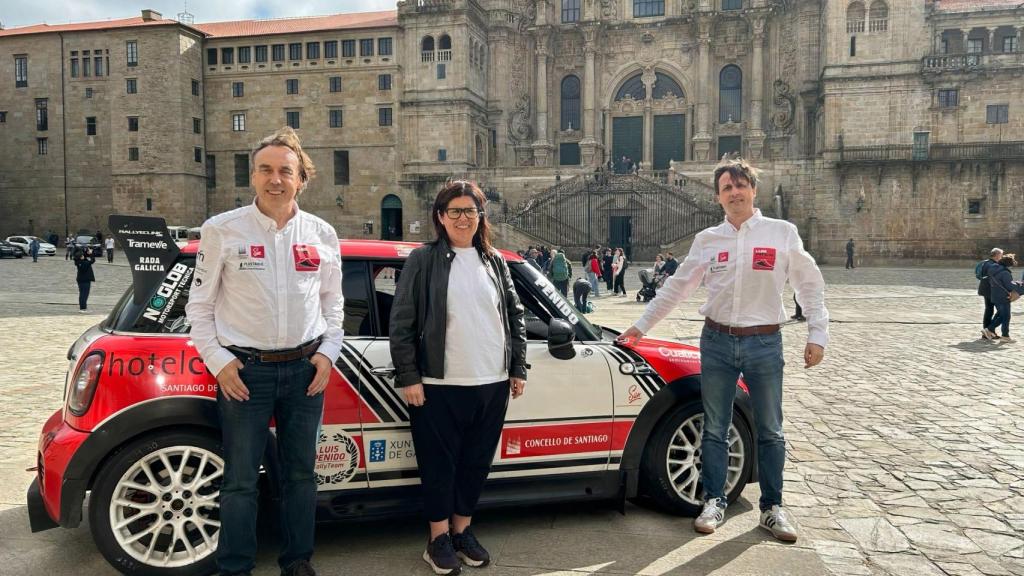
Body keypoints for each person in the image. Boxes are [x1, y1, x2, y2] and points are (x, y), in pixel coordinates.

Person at [618, 158, 828, 543]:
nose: (735, 192)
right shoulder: (707, 240)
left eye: (740, 185)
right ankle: (714, 499)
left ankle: (772, 507)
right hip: (716, 341)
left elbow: (809, 284)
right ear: (718, 196)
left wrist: (818, 333)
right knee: (714, 427)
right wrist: (640, 327)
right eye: (727, 187)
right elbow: (676, 287)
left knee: (770, 429)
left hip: (764, 342)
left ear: (753, 190)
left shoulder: (781, 233)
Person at [185, 127, 344, 576]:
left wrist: (328, 353)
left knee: (300, 476)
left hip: (305, 372)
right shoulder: (221, 230)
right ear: (252, 176)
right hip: (245, 375)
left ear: (301, 179)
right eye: (266, 170)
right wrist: (220, 362)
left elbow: (334, 304)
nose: (276, 179)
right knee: (239, 481)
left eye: (286, 171)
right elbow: (199, 306)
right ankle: (234, 567)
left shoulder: (322, 233)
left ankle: (297, 562)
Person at [389, 181, 527, 576]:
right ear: (440, 217)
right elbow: (402, 321)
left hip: (491, 381)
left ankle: (462, 531)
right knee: (438, 465)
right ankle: (437, 539)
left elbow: (514, 317)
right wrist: (409, 376)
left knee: (475, 463)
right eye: (455, 211)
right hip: (438, 384)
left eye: (470, 211)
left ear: (480, 216)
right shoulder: (423, 259)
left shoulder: (495, 261)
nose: (463, 218)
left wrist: (517, 367)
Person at [984, 253, 1019, 343]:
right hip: (1003, 297)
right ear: (1008, 264)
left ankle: (989, 330)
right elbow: (1010, 286)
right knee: (1006, 316)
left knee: (1001, 315)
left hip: (995, 295)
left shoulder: (993, 269)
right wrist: (1019, 284)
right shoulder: (1004, 273)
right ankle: (1004, 336)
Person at [978, 247, 1003, 340]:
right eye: (1001, 255)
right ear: (996, 255)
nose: (1002, 256)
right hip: (991, 291)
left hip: (985, 290)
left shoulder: (986, 262)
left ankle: (987, 332)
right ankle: (989, 330)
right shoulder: (993, 265)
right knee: (1001, 311)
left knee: (989, 310)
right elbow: (995, 280)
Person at [74, 248, 96, 312]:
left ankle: (83, 307)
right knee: (84, 294)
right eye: (82, 255)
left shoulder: (78, 262)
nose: (83, 256)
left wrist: (87, 252)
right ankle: (83, 308)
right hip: (85, 280)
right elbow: (92, 260)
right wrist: (91, 254)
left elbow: (85, 257)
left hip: (81, 280)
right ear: (81, 257)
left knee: (82, 294)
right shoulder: (84, 263)